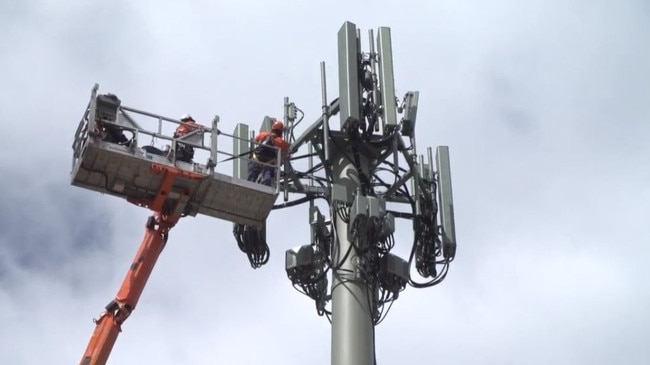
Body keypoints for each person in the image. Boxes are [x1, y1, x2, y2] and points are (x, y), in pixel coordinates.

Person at [248, 120, 290, 186]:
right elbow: (287, 150)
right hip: (268, 164)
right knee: (266, 180)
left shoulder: (263, 135)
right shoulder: (280, 142)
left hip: (256, 160)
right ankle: (264, 192)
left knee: (251, 178)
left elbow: (256, 140)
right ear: (281, 132)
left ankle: (248, 189)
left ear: (272, 129)